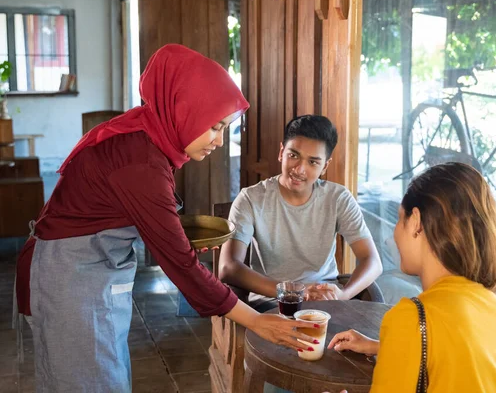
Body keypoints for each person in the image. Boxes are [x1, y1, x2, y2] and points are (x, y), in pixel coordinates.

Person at [14, 44, 319, 392]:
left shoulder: (148, 136)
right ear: (183, 109)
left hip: (85, 275)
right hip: (71, 282)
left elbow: (132, 214)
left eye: (225, 129)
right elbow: (181, 266)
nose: (219, 141)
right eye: (215, 127)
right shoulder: (141, 162)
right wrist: (255, 320)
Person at [328, 162, 496, 392]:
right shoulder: (494, 309)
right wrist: (384, 347)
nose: (394, 234)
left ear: (416, 223)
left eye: (400, 219)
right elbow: (454, 360)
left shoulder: (412, 318)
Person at [218, 115, 383, 311]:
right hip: (272, 302)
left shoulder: (338, 198)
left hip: (327, 302)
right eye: (293, 155)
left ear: (325, 166)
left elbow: (372, 261)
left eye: (313, 162)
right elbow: (228, 268)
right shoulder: (250, 199)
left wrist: (344, 294)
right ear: (281, 152)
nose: (300, 169)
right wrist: (296, 291)